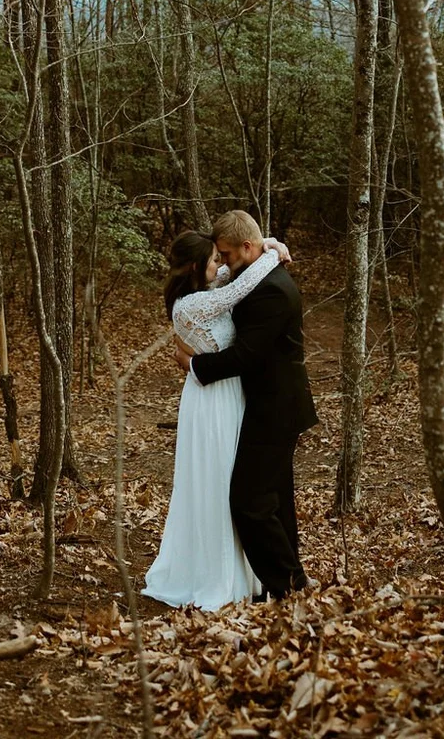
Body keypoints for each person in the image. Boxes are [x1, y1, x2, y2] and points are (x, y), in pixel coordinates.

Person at [142, 228, 288, 610]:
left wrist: (267, 242)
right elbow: (238, 289)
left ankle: (246, 570)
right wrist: (273, 254)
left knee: (234, 480)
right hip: (211, 401)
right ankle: (216, 575)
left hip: (229, 394)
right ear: (195, 266)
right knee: (218, 482)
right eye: (212, 260)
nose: (220, 264)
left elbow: (234, 273)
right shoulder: (190, 306)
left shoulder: (203, 293)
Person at [175, 210, 317, 599]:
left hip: (275, 407)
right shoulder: (258, 273)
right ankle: (291, 579)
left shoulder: (272, 289)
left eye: (227, 254)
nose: (223, 263)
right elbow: (228, 285)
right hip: (268, 402)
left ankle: (286, 586)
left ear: (247, 248)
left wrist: (195, 365)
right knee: (275, 497)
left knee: (249, 502)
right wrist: (271, 246)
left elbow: (246, 357)